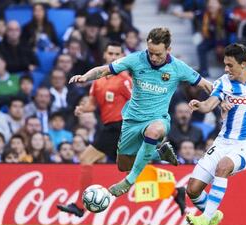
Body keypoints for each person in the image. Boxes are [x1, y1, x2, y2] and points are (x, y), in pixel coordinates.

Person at [69, 27, 213, 198]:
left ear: (169, 50)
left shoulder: (178, 67)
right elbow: (104, 69)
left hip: (158, 119)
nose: (153, 57)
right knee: (123, 164)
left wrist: (220, 101)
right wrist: (85, 76)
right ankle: (159, 153)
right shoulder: (136, 59)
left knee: (154, 131)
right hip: (131, 121)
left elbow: (206, 85)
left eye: (158, 54)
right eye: (150, 52)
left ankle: (128, 181)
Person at [185, 43, 246, 225]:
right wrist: (200, 105)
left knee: (223, 167)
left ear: (243, 64)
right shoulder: (223, 83)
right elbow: (209, 104)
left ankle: (205, 219)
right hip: (223, 142)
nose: (226, 69)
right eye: (224, 64)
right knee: (192, 189)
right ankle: (213, 217)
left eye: (230, 65)